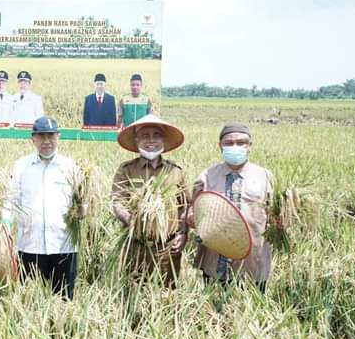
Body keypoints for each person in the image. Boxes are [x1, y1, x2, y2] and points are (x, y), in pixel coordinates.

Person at [189, 122, 276, 292]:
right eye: (228, 143)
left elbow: (275, 216)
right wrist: (196, 222)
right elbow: (192, 213)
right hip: (215, 262)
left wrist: (281, 223)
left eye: (241, 142)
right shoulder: (206, 177)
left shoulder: (266, 177)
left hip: (253, 263)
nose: (235, 147)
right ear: (220, 146)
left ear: (250, 146)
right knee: (213, 312)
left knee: (252, 312)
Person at [2, 116, 79, 299]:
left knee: (63, 300)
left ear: (58, 137)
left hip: (64, 245)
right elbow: (10, 200)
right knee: (29, 299)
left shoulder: (71, 166)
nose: (46, 142)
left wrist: (83, 210)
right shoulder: (21, 166)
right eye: (41, 136)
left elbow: (82, 199)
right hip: (30, 244)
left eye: (51, 136)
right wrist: (5, 225)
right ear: (33, 139)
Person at [111, 114, 188, 288]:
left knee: (168, 295)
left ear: (164, 140)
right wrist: (133, 221)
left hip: (167, 248)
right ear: (136, 140)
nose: (151, 140)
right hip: (135, 247)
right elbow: (117, 202)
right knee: (133, 294)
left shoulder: (176, 172)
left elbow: (185, 207)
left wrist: (184, 234)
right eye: (145, 136)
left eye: (157, 135)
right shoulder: (126, 170)